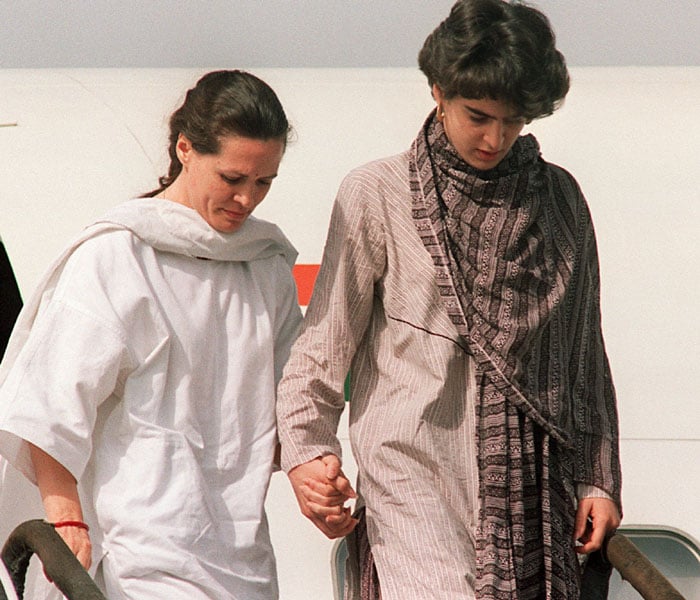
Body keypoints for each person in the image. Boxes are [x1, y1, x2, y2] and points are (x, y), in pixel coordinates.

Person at [275, 1, 622, 598]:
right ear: (438, 90)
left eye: (513, 122)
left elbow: (582, 354)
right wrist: (306, 452)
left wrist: (598, 477)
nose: (495, 138)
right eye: (478, 115)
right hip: (412, 476)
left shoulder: (560, 200)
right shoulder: (376, 194)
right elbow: (322, 345)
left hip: (535, 485)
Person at [0, 69, 302, 599]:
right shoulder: (117, 257)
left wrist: (311, 463)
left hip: (243, 563)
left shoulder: (265, 266)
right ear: (186, 148)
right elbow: (48, 401)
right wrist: (66, 521)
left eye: (263, 182)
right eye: (232, 179)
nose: (247, 199)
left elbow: (293, 399)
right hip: (142, 561)